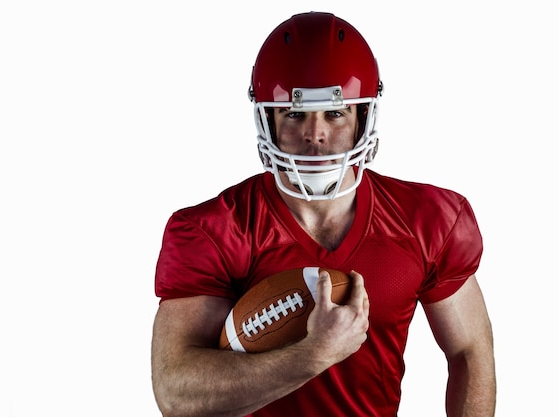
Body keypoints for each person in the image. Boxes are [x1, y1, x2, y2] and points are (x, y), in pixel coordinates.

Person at [151, 11, 496, 417]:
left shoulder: (428, 220)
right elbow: (176, 393)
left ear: (362, 119)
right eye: (295, 113)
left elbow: (469, 349)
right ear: (269, 120)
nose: (315, 134)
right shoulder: (214, 230)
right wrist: (313, 355)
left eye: (335, 113)